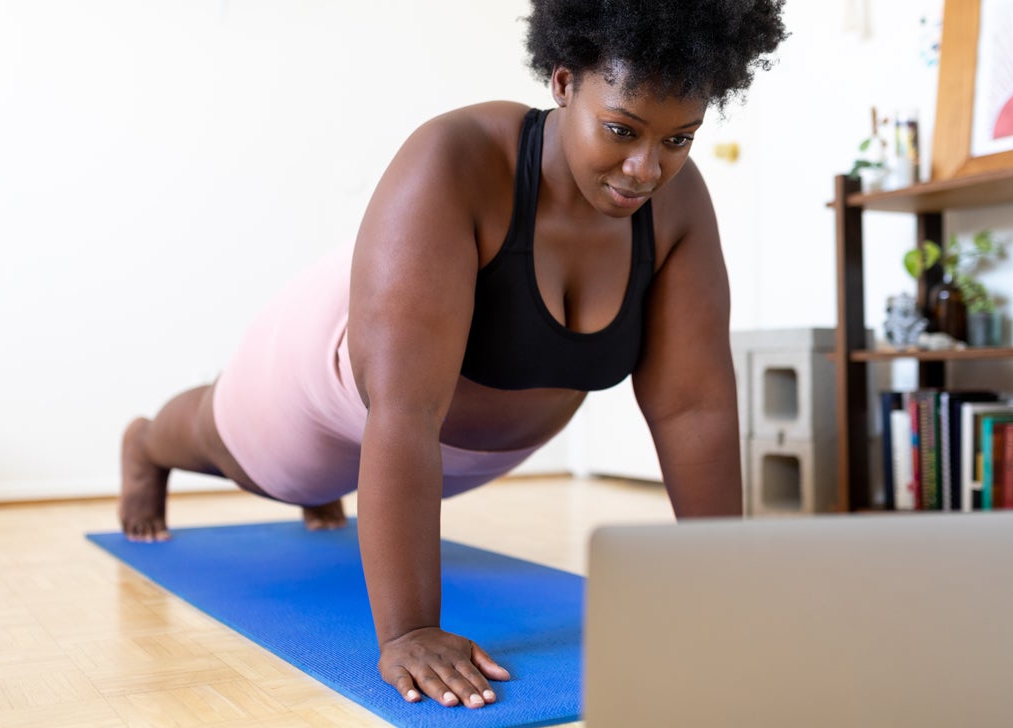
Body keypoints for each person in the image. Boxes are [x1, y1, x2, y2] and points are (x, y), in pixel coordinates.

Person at [119, 0, 787, 710]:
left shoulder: (677, 207)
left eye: (680, 138)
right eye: (620, 129)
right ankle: (144, 446)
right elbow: (406, 411)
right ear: (563, 83)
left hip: (462, 454)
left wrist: (723, 589)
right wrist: (409, 629)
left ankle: (326, 490)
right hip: (341, 390)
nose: (646, 167)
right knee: (235, 453)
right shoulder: (457, 158)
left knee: (354, 468)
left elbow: (694, 408)